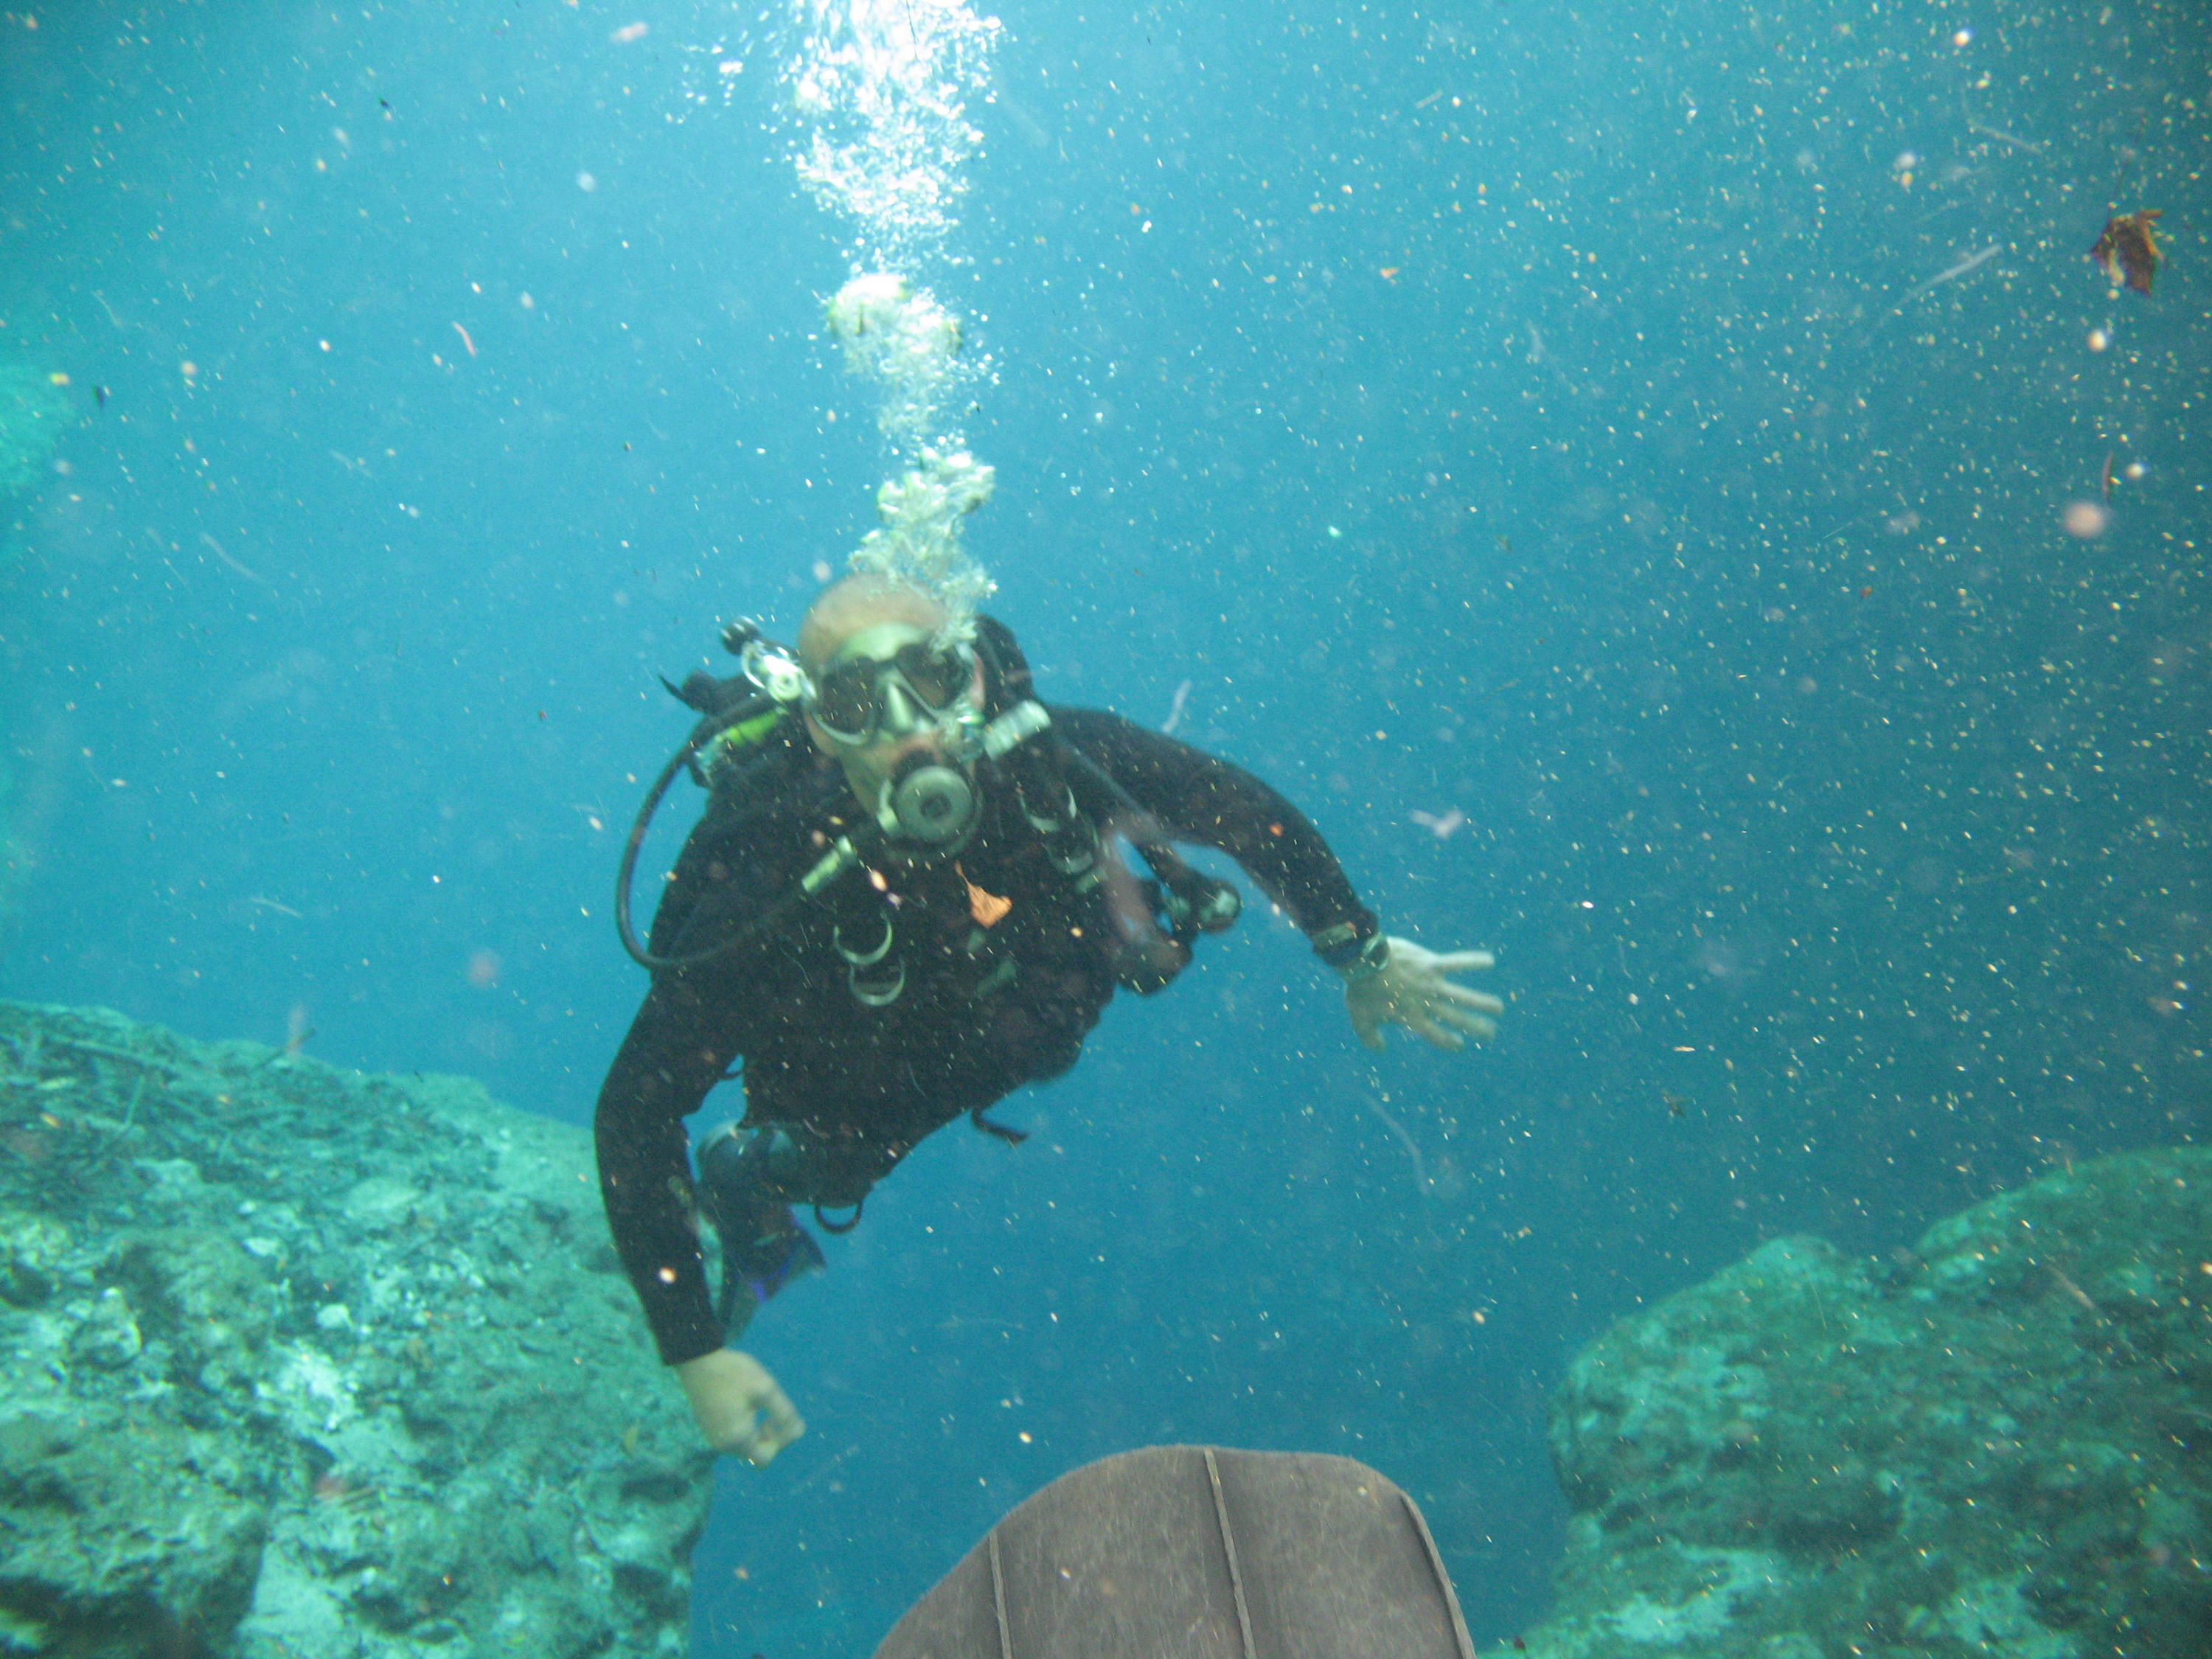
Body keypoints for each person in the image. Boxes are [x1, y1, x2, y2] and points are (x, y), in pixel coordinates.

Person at [594, 575, 1503, 1465]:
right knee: (823, 1167)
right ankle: (752, 1180)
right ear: (821, 730)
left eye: (933, 678)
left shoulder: (1059, 762)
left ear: (977, 678)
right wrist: (696, 1353)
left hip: (1029, 1020)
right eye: (857, 701)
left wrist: (1362, 952)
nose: (907, 724)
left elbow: (1243, 813)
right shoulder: (772, 863)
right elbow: (636, 1110)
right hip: (864, 1089)